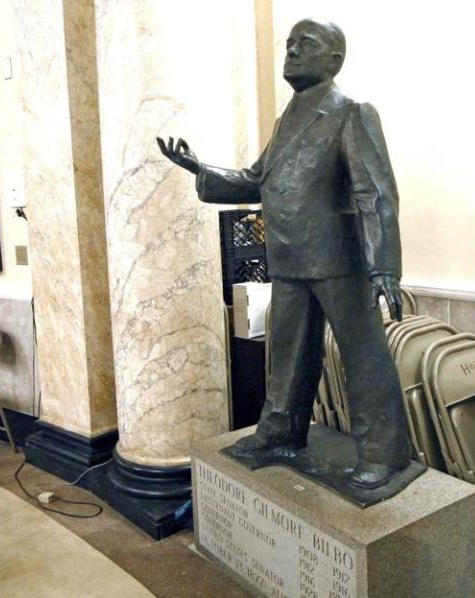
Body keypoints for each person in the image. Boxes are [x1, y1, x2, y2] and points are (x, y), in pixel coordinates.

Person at [157, 18, 411, 489]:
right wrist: (199, 168)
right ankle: (280, 433)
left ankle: (386, 453)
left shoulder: (351, 112)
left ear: (334, 61)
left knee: (364, 359)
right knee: (288, 355)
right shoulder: (286, 119)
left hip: (340, 261)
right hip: (289, 259)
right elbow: (256, 179)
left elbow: (374, 194)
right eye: (289, 44)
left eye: (305, 45)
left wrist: (384, 268)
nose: (291, 51)